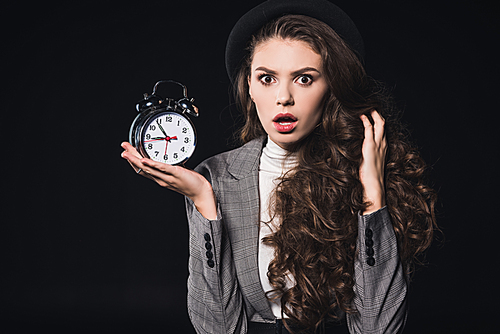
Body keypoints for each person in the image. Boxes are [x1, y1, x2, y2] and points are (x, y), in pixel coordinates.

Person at [121, 1, 437, 333]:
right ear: (249, 88)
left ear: (331, 88)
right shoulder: (217, 177)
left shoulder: (357, 175)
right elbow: (217, 328)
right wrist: (204, 201)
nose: (283, 97)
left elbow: (378, 328)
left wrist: (372, 193)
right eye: (267, 78)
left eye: (304, 78)